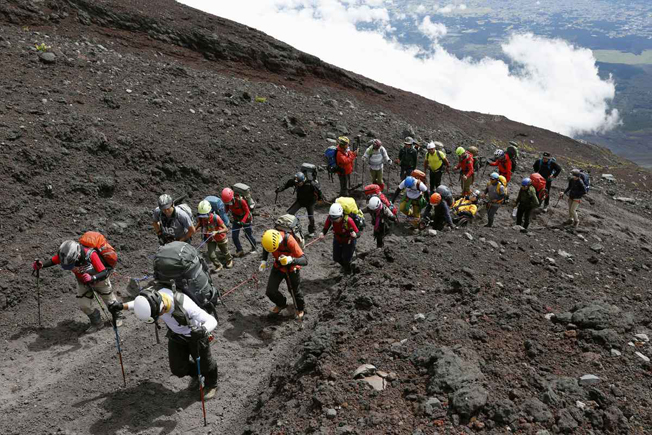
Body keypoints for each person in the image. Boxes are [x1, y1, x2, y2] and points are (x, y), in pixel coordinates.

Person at [108, 287, 218, 400]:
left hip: (197, 337)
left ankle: (211, 385)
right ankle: (197, 374)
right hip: (177, 336)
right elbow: (140, 303)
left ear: (163, 308)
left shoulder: (185, 304)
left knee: (206, 364)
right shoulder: (154, 299)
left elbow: (212, 320)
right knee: (178, 369)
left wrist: (203, 330)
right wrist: (122, 306)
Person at [32, 240, 123, 333]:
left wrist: (92, 278)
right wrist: (42, 265)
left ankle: (117, 315)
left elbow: (104, 272)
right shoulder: (66, 255)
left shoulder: (91, 255)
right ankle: (97, 322)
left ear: (77, 255)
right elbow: (53, 261)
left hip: (100, 281)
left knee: (110, 301)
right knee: (84, 305)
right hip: (83, 282)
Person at [259, 229, 308, 319]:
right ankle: (281, 303)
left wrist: (291, 260)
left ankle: (300, 309)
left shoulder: (289, 240)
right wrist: (264, 261)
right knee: (270, 291)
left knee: (294, 290)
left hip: (292, 268)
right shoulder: (267, 238)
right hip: (278, 266)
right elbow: (266, 248)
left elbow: (305, 260)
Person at [276, 171, 323, 237]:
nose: (297, 185)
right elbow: (287, 184)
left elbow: (319, 191)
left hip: (310, 202)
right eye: (296, 183)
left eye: (299, 183)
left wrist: (320, 199)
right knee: (289, 213)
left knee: (311, 217)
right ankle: (288, 229)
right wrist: (280, 189)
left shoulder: (311, 184)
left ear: (303, 180)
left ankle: (311, 231)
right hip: (300, 201)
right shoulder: (295, 182)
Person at [318, 203, 359, 274]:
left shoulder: (348, 220)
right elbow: (326, 227)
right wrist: (322, 233)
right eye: (332, 218)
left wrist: (355, 235)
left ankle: (348, 270)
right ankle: (346, 267)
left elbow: (358, 233)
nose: (334, 220)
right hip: (338, 238)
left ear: (341, 215)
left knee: (346, 258)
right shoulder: (331, 218)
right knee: (336, 258)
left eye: (336, 218)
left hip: (348, 240)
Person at [196, 200, 233, 271]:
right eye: (202, 216)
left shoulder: (216, 218)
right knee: (211, 255)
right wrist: (194, 229)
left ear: (209, 212)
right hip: (210, 238)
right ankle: (218, 265)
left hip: (220, 237)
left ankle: (229, 260)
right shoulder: (201, 218)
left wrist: (217, 231)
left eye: (205, 216)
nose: (203, 217)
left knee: (225, 252)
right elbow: (199, 223)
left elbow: (226, 229)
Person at [222, 187, 257, 257]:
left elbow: (247, 212)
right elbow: (226, 210)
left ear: (232, 198)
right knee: (234, 236)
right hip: (236, 219)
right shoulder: (228, 203)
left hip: (246, 219)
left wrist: (243, 221)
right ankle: (240, 250)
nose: (229, 203)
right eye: (227, 203)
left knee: (248, 235)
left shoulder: (241, 201)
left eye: (229, 202)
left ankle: (254, 247)